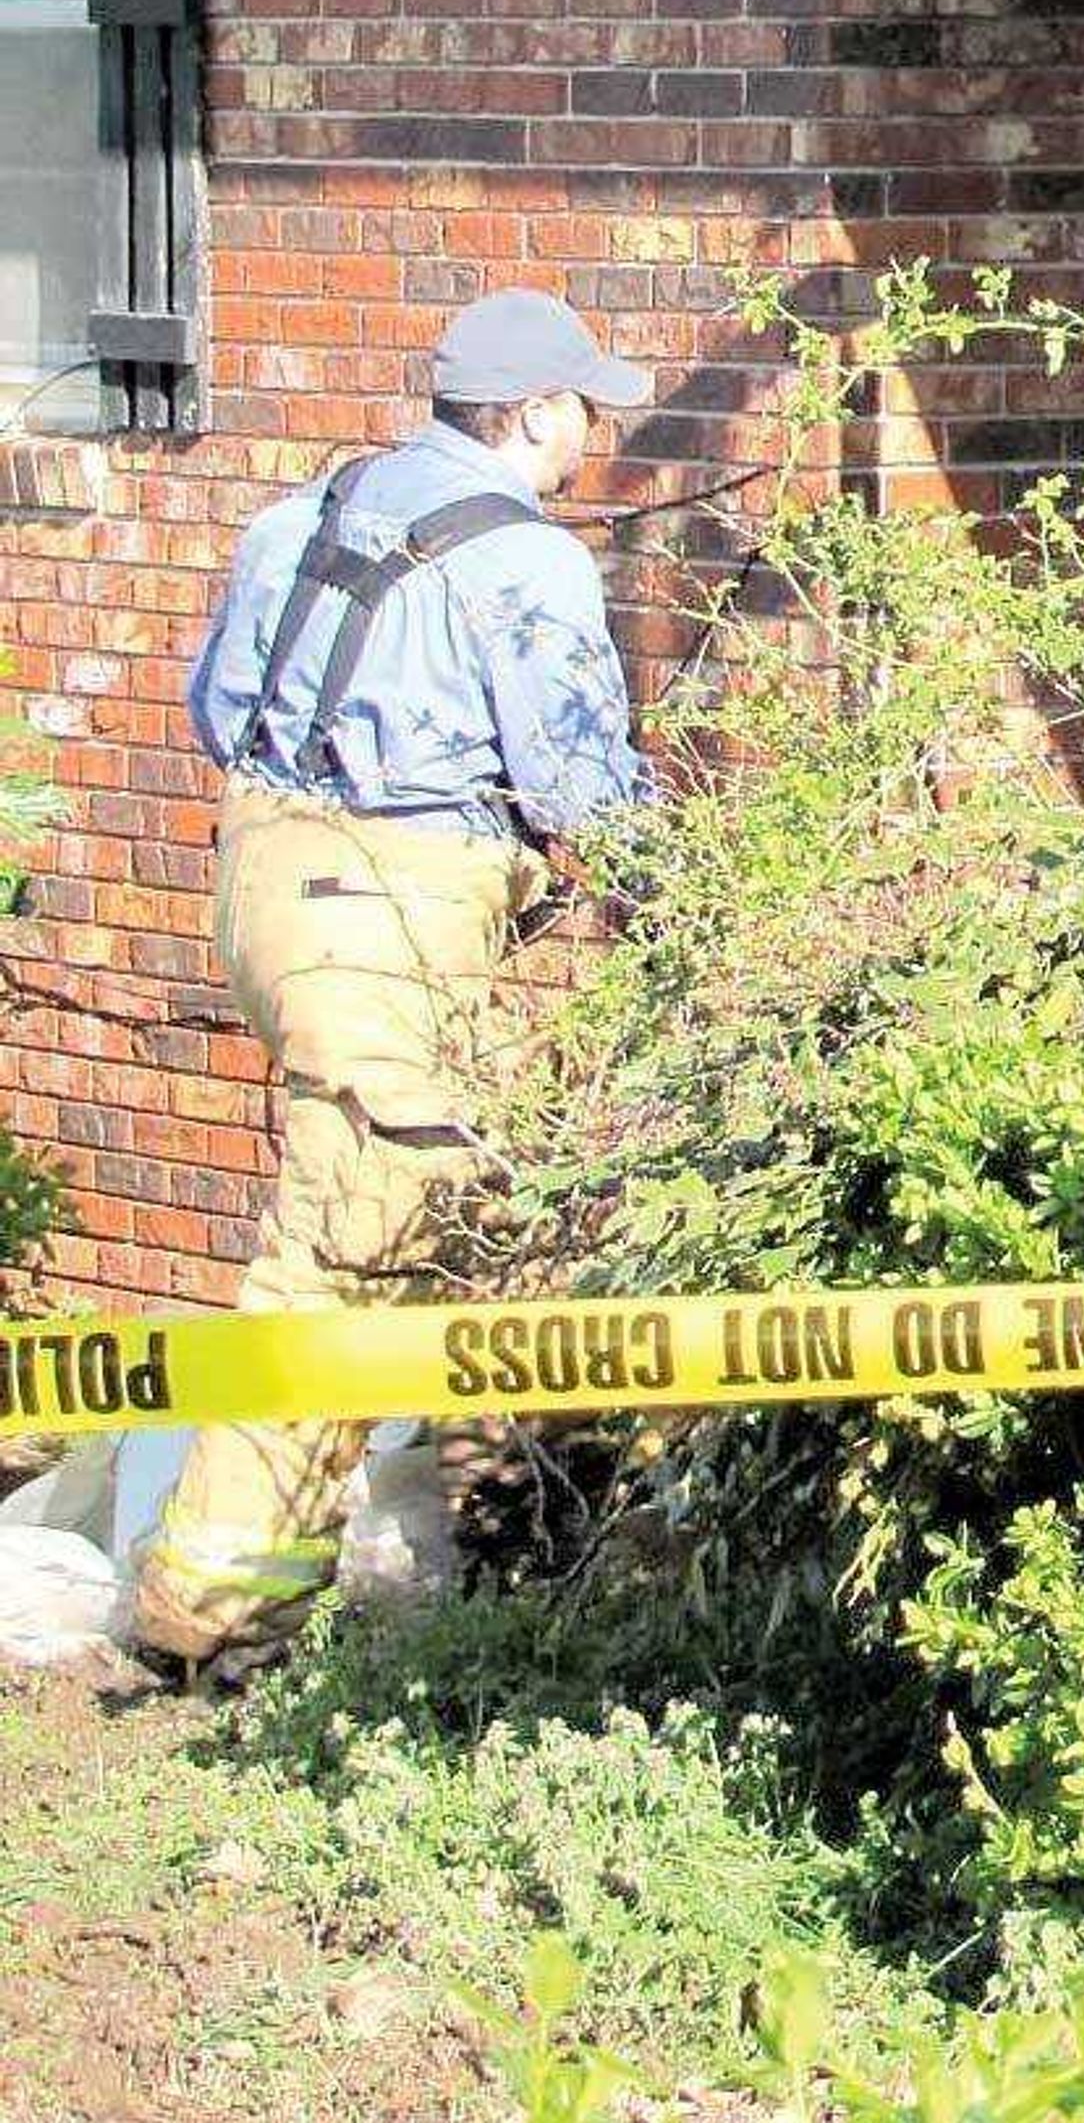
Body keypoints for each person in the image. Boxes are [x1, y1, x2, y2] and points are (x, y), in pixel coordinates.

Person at [131, 289, 654, 1668]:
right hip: (381, 915)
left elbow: (213, 706)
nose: (589, 440)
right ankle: (211, 1613)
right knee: (339, 1253)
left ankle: (511, 1516)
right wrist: (682, 894)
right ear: (528, 413)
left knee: (480, 1189)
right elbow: (583, 783)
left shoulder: (312, 505)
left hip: (265, 875)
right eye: (583, 413)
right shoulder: (525, 560)